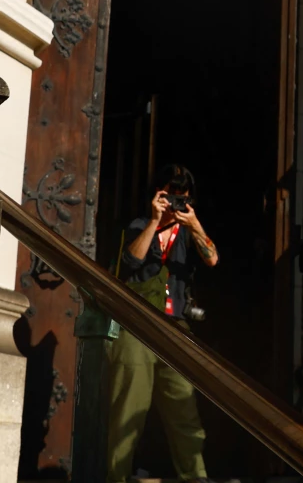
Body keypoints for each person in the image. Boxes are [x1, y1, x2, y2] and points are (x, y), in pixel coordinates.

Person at [106, 163, 219, 483]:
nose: (176, 206)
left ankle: (195, 477)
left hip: (176, 328)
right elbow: (128, 262)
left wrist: (195, 224)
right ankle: (112, 476)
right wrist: (155, 220)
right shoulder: (139, 225)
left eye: (182, 199)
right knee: (128, 408)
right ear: (157, 196)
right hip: (137, 325)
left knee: (185, 407)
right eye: (170, 197)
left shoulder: (188, 232)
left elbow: (212, 258)